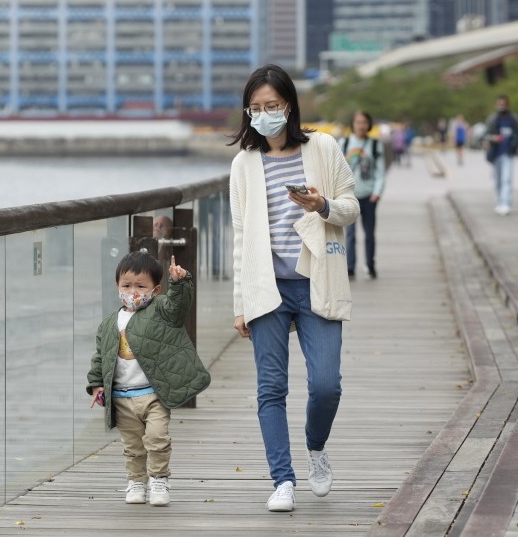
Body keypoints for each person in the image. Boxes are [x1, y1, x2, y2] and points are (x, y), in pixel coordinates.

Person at [227, 63, 359, 513]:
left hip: (316, 282)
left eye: (273, 106)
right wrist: (240, 303)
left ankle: (316, 448)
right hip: (267, 289)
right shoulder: (243, 164)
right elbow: (240, 236)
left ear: (290, 106)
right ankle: (282, 479)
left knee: (326, 386)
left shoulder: (322, 147)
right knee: (270, 389)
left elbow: (350, 207)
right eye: (256, 108)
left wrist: (322, 205)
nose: (265, 114)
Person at [86, 251, 210, 507]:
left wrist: (181, 282)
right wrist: (97, 385)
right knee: (132, 445)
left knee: (157, 438)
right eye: (126, 285)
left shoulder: (161, 310)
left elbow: (178, 306)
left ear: (155, 290)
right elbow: (101, 358)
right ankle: (136, 481)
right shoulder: (109, 324)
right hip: (122, 397)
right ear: (117, 287)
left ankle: (160, 479)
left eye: (140, 286)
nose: (133, 291)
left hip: (153, 393)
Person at [340, 111, 387, 280]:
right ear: (352, 124)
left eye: (364, 122)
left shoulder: (375, 145)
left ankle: (370, 264)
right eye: (358, 122)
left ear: (369, 124)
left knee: (369, 233)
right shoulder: (344, 143)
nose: (361, 126)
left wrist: (377, 192)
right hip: (349, 196)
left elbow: (380, 172)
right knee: (350, 233)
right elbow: (336, 170)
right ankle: (350, 266)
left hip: (369, 196)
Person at [484, 95, 518, 215]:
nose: (501, 106)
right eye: (499, 104)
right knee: (498, 180)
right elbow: (484, 135)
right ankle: (499, 201)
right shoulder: (493, 119)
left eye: (503, 104)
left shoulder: (514, 119)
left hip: (508, 153)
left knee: (506, 179)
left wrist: (515, 144)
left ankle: (505, 203)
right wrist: (493, 138)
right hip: (495, 153)